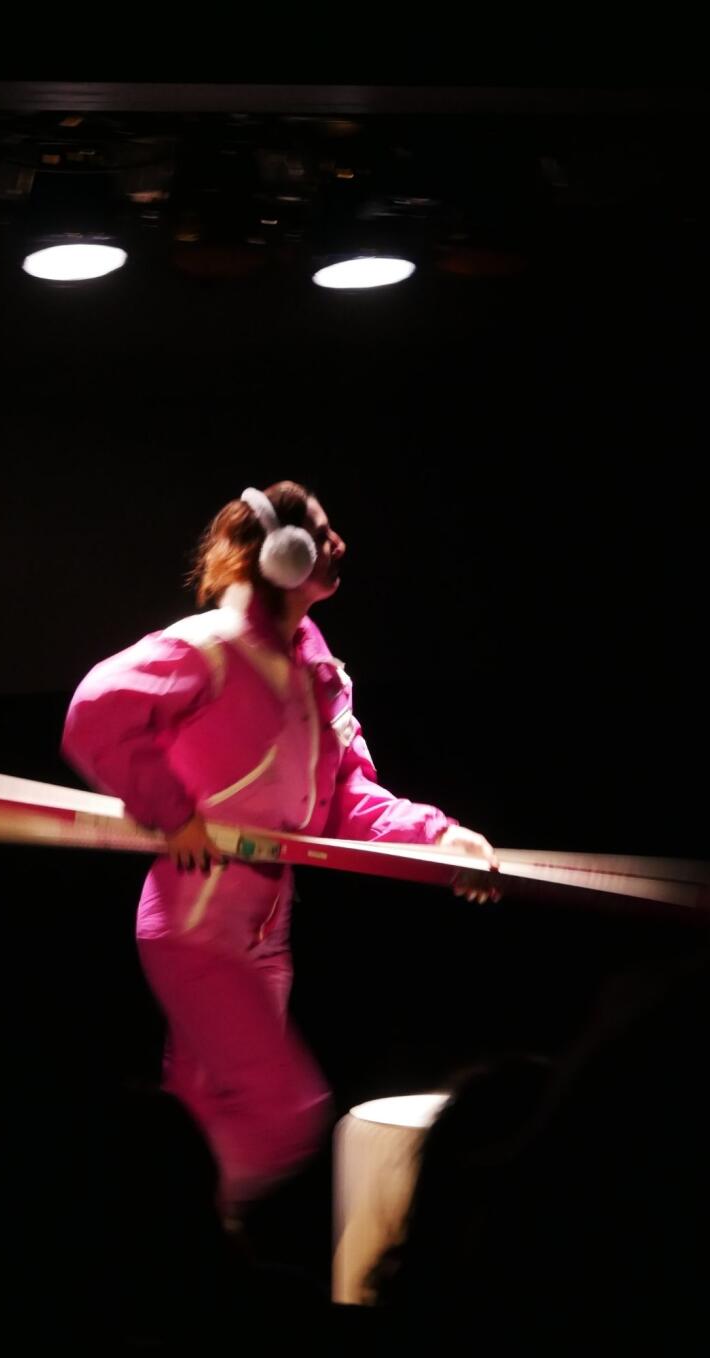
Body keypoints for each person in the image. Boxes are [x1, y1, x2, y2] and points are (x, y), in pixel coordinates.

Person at [61, 481, 499, 1216]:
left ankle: (181, 1251)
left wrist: (439, 836)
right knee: (283, 1118)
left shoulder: (319, 676)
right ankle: (168, 1232)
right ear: (282, 553)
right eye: (321, 533)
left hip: (264, 935)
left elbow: (346, 798)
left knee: (200, 1119)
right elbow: (94, 713)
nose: (338, 545)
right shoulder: (210, 646)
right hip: (195, 926)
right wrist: (172, 811)